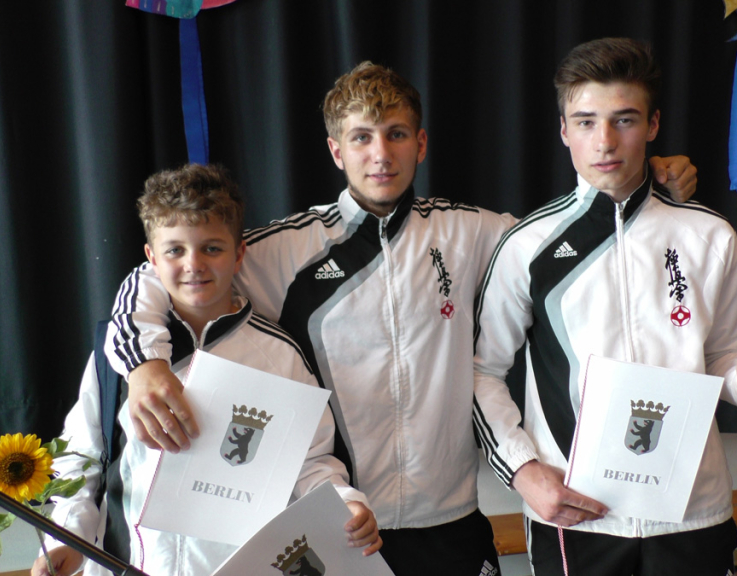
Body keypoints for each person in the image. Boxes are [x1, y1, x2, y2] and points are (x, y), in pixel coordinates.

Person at [104, 62, 699, 575]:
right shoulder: (285, 248)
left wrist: (644, 181)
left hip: (450, 518)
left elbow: (569, 235)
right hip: (340, 520)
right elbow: (164, 273)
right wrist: (143, 365)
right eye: (361, 138)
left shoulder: (470, 231)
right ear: (336, 150)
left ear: (421, 142)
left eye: (395, 134)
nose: (381, 155)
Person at [470, 38, 737, 575]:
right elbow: (482, 372)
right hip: (576, 515)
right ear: (563, 130)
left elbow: (726, 357)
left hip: (693, 510)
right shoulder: (527, 246)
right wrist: (523, 472)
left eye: (624, 119)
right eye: (586, 121)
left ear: (653, 124)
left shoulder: (710, 235)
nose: (605, 141)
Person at [32, 164, 379, 576]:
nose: (193, 264)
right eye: (174, 250)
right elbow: (83, 455)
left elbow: (310, 461)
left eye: (211, 248)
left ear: (239, 255)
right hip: (125, 566)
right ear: (151, 258)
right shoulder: (120, 354)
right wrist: (67, 536)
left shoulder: (280, 355)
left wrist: (345, 503)